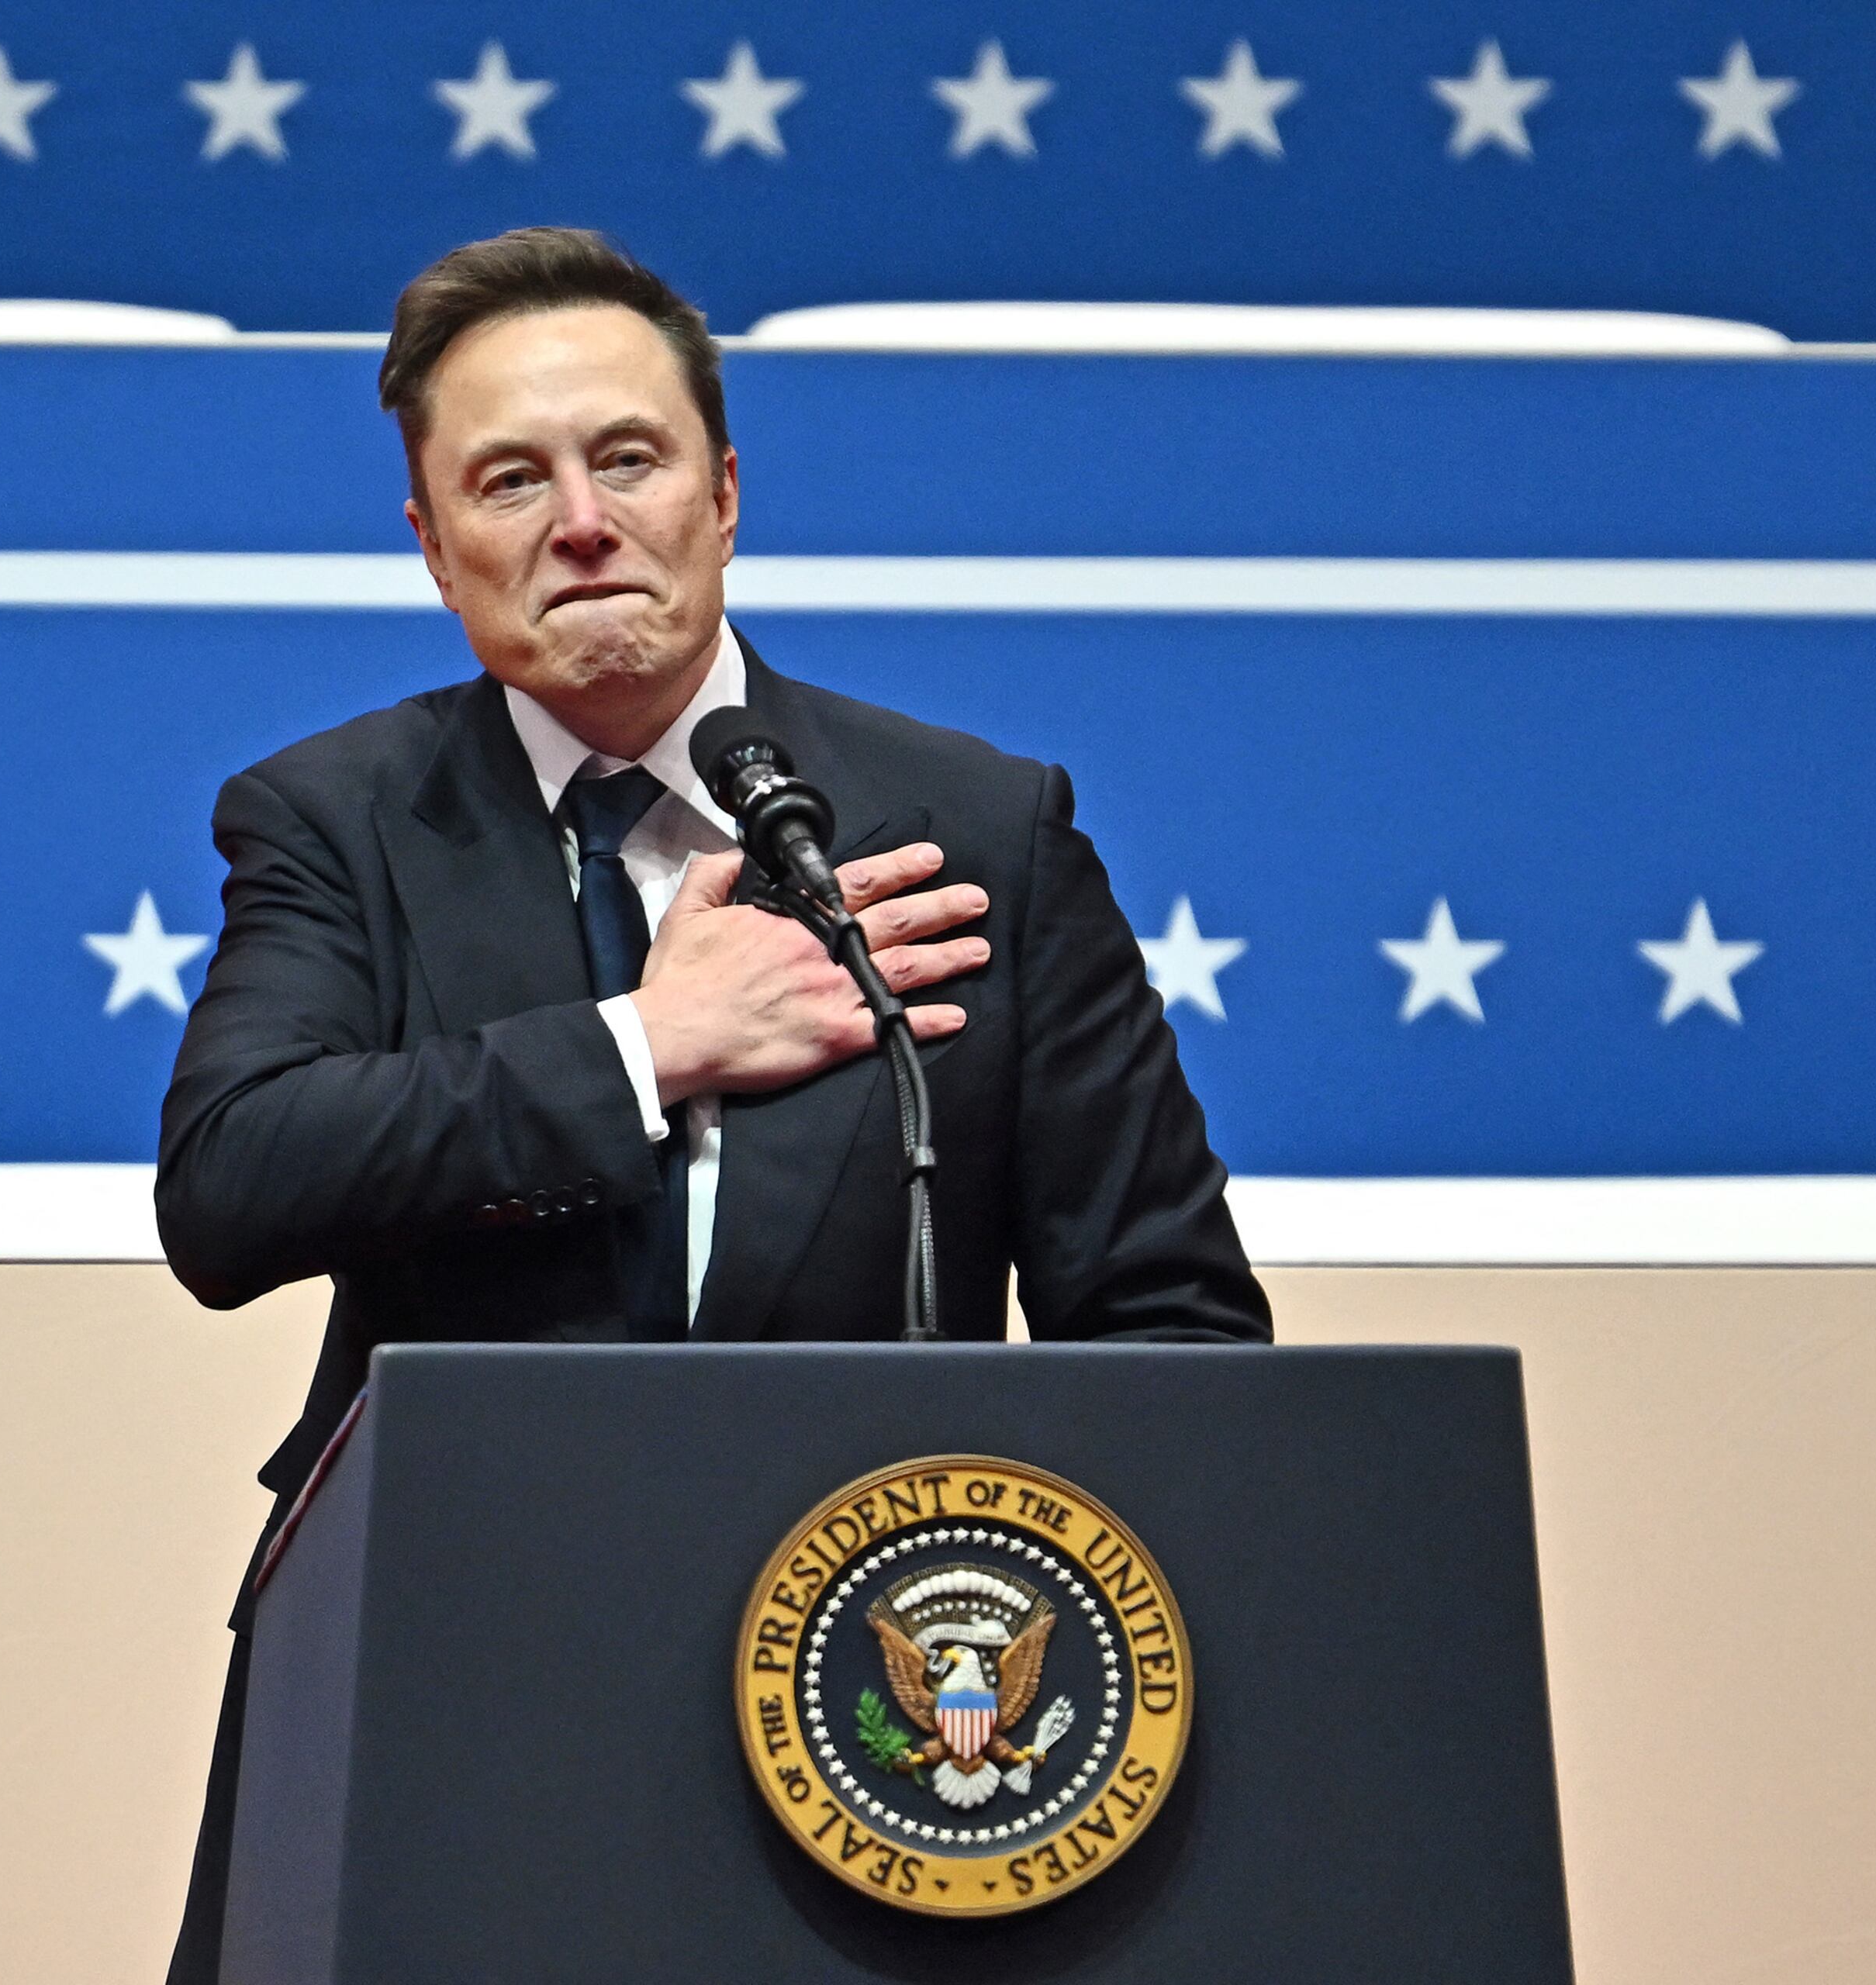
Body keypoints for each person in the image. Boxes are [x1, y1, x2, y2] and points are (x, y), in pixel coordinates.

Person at [153, 226, 1266, 1980]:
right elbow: (232, 1182)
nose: (579, 520)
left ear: (726, 493)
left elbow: (1176, 1328)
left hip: (880, 1724)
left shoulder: (973, 830)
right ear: (434, 549)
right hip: (445, 1678)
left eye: (629, 458)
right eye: (507, 479)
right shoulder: (336, 819)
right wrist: (640, 1046)